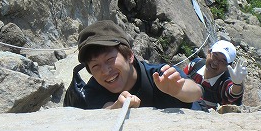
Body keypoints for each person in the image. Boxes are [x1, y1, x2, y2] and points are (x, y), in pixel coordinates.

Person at [73, 19, 204, 110]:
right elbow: (104, 109)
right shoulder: (93, 89)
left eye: (110, 60)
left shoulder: (158, 75)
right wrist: (117, 107)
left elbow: (196, 92)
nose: (105, 71)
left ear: (130, 56)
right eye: (95, 66)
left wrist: (178, 91)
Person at [183, 40, 247, 111]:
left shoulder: (224, 82)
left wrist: (237, 84)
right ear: (208, 52)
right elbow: (181, 80)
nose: (216, 62)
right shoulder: (196, 64)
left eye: (222, 61)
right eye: (215, 55)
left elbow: (232, 94)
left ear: (228, 66)